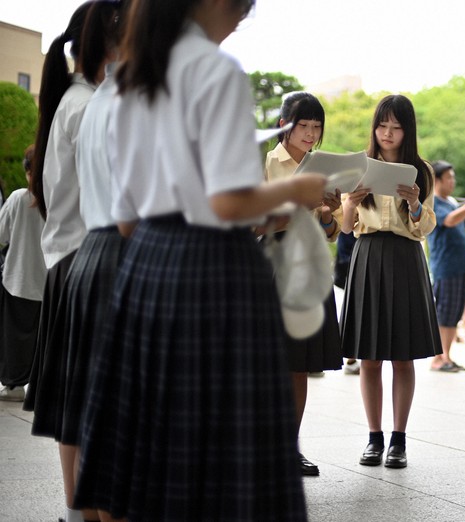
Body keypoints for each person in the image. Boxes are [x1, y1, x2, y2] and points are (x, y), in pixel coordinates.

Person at [73, 1, 324, 519]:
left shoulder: (127, 81)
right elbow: (227, 202)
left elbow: (126, 219)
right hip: (215, 276)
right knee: (222, 468)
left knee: (145, 456)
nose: (241, 18)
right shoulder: (215, 71)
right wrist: (299, 188)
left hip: (144, 263)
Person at [22, 4, 116, 521]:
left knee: (75, 405)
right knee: (89, 405)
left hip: (69, 261)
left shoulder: (75, 101)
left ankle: (78, 510)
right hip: (88, 260)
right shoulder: (91, 107)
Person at [340, 94, 442, 469]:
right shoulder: (358, 167)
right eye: (382, 125)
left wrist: (415, 204)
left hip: (405, 257)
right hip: (367, 256)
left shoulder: (421, 170)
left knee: (402, 356)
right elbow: (346, 228)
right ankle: (373, 438)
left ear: (407, 130)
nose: (387, 133)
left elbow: (426, 226)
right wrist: (351, 202)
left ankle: (398, 439)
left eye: (396, 127)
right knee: (368, 357)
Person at [264, 91, 343, 476]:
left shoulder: (322, 167)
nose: (310, 134)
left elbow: (331, 231)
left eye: (316, 127)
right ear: (284, 125)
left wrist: (326, 212)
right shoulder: (266, 162)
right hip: (273, 263)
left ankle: (289, 449)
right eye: (303, 126)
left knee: (298, 365)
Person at [0, 145, 46, 403]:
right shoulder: (57, 198)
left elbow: (1, 234)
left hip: (17, 276)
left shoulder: (18, 197)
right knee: (42, 337)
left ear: (28, 171)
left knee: (14, 336)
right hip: (48, 279)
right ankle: (39, 386)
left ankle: (14, 385)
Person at [427, 160, 465, 372]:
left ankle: (446, 356)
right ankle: (438, 358)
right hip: (446, 267)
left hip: (460, 267)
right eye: (448, 177)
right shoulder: (433, 203)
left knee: (453, 315)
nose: (453, 181)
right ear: (437, 180)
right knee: (445, 314)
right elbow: (449, 221)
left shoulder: (450, 202)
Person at [333, 230, 360, 375]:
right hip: (351, 257)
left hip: (351, 255)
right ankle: (350, 356)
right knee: (354, 307)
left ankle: (351, 356)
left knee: (355, 307)